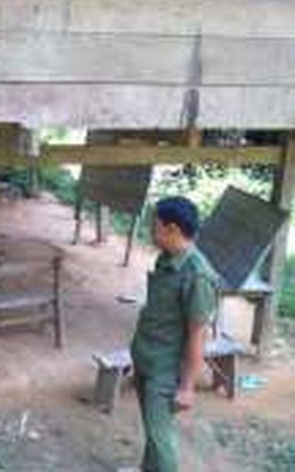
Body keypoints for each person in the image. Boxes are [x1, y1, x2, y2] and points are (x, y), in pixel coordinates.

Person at [130, 196, 219, 472]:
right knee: (152, 428)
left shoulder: (197, 275)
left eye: (154, 226)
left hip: (165, 370)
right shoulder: (166, 258)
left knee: (161, 436)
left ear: (173, 230)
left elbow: (197, 335)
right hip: (148, 357)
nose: (150, 231)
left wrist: (187, 386)